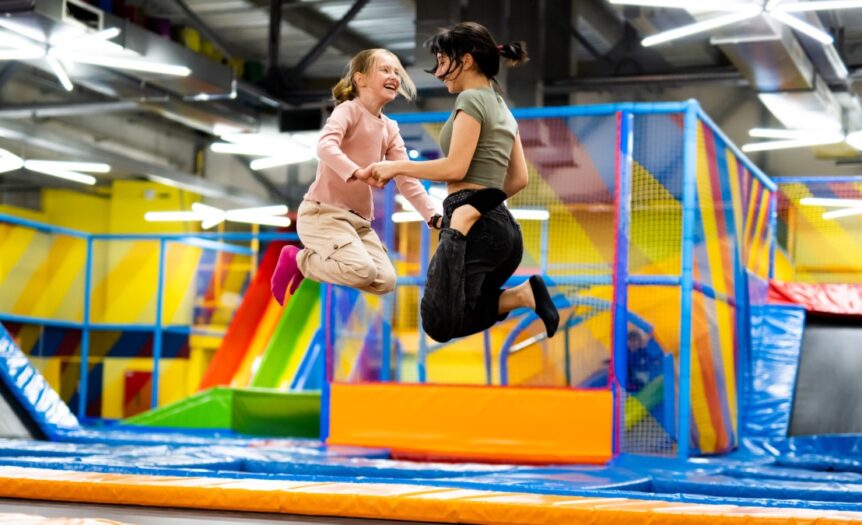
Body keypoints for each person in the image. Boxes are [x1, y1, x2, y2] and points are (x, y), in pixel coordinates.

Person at [369, 22, 559, 343]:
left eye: (444, 62)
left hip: (472, 223)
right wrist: (485, 204)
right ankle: (522, 295)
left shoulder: (470, 100)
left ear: (466, 61)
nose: (440, 72)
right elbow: (519, 179)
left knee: (438, 321)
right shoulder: (502, 108)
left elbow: (456, 168)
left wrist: (396, 167)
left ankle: (519, 290)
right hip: (504, 231)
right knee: (458, 314)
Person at [270, 49, 442, 305]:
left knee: (385, 280)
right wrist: (357, 172)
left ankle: (303, 263)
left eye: (396, 72)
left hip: (358, 223)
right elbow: (325, 146)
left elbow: (406, 177)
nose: (393, 76)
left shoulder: (390, 128)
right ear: (360, 79)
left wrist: (433, 215)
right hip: (323, 214)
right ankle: (298, 260)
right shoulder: (348, 111)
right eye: (385, 70)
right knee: (363, 270)